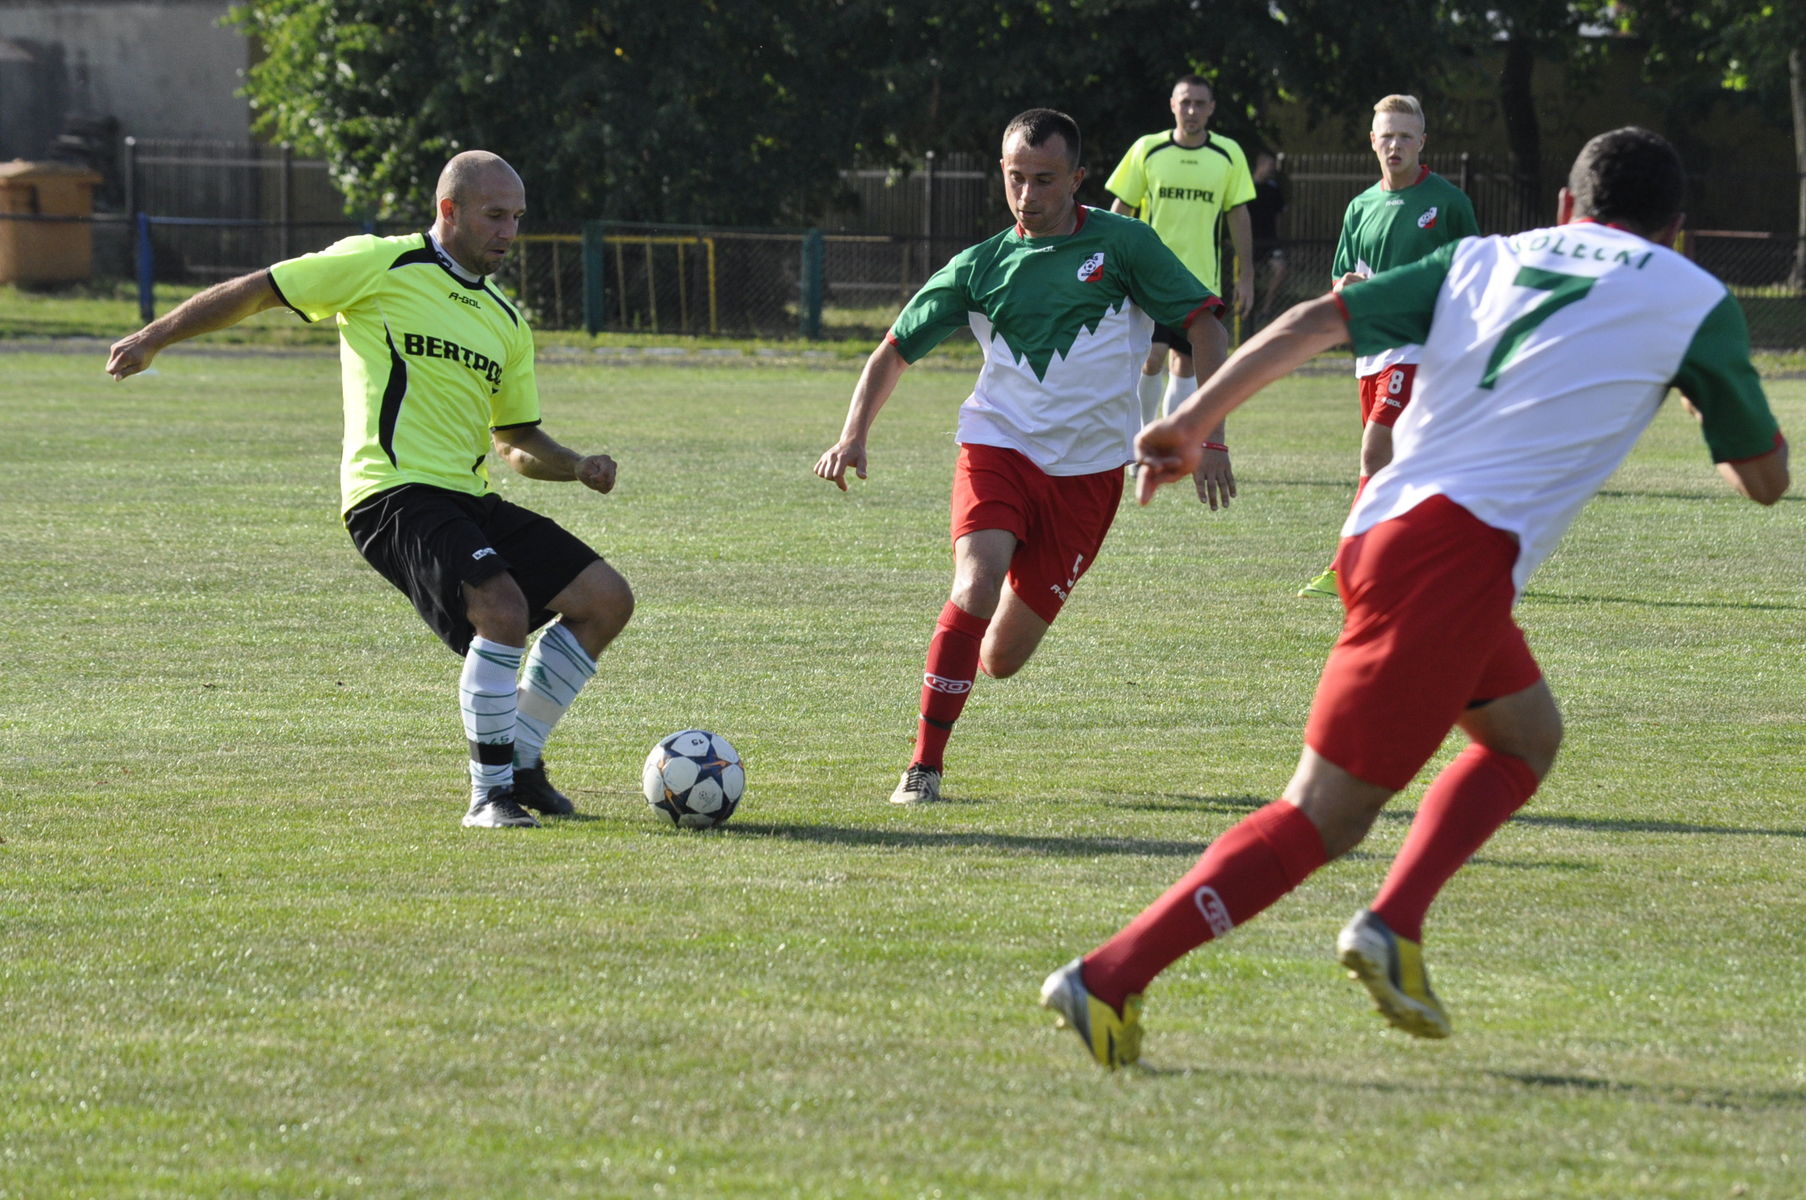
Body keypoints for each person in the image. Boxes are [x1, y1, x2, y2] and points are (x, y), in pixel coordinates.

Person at [1041, 126, 1788, 1068]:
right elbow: (1763, 480)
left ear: (1565, 208)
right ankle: (1108, 976)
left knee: (1526, 737)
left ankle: (1395, 922)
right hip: (1450, 566)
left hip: (1386, 533)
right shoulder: (1691, 296)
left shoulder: (1485, 258)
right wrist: (1700, 399)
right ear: (1676, 232)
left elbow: (1317, 320)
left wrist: (1190, 421)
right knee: (1322, 815)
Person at [105, 150, 635, 830]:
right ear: (450, 210)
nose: (508, 231)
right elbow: (264, 286)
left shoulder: (506, 321)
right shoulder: (380, 264)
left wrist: (576, 464)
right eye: (494, 215)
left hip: (466, 498)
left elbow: (513, 442)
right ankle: (489, 795)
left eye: (517, 218)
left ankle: (521, 762)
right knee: (500, 608)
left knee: (605, 599)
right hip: (391, 495)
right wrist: (155, 337)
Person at [814, 108, 1227, 806]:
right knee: (975, 583)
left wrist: (1209, 433)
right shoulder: (978, 267)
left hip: (1090, 475)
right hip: (998, 446)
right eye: (1015, 179)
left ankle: (965, 648)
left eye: (1044, 180)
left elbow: (1205, 325)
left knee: (1001, 659)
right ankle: (924, 767)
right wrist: (853, 433)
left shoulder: (1124, 246)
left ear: (1077, 179)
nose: (1027, 196)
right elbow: (894, 348)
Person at [1298, 94, 1479, 599]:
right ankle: (1448, 555)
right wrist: (1346, 287)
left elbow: (1474, 276)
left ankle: (1348, 566)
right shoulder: (1360, 207)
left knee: (1375, 450)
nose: (1395, 144)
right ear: (1372, 141)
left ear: (1422, 142)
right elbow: (1340, 277)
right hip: (1372, 351)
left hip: (1420, 348)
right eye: (1387, 135)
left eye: (1405, 136)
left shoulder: (1448, 203)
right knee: (1406, 464)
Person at [1106, 73, 1253, 474]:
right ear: (1172, 104)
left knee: (1185, 366)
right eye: (1185, 102)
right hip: (1148, 281)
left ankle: (1168, 449)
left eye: (1200, 103)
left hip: (1199, 282)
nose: (1192, 111)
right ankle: (1143, 443)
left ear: (1211, 109)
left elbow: (1238, 213)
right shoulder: (1147, 150)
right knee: (1150, 358)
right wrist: (1108, 260)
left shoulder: (1227, 155)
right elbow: (1122, 207)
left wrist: (1247, 275)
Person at [1246, 151, 1289, 331]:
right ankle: (1246, 311)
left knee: (1280, 269)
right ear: (1260, 165)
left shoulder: (1273, 189)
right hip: (1250, 241)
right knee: (1248, 275)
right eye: (1268, 165)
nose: (1271, 169)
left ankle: (1266, 309)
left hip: (1270, 240)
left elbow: (1280, 215)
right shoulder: (1247, 188)